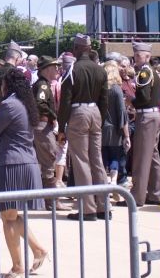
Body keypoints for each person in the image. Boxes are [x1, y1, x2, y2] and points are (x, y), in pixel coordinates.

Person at [0, 67, 49, 278]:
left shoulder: (9, 104)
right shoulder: (24, 103)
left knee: (8, 218)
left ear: (7, 84)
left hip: (12, 164)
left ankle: (17, 266)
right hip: (27, 162)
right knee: (12, 215)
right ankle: (37, 249)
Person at [58, 34, 110, 221]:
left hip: (78, 112)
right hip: (95, 112)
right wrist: (100, 119)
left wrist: (62, 126)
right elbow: (104, 100)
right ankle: (104, 206)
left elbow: (65, 101)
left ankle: (88, 209)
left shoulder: (72, 70)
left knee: (81, 161)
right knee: (97, 159)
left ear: (77, 48)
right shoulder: (100, 70)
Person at [128, 42, 160, 207]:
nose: (136, 57)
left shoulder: (144, 73)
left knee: (141, 155)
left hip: (146, 115)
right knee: (152, 155)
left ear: (147, 56)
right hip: (153, 114)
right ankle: (154, 193)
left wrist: (131, 100)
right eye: (135, 54)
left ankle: (137, 196)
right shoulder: (151, 71)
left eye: (139, 54)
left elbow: (143, 98)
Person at [31, 56, 61, 191]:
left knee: (48, 158)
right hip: (43, 125)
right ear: (47, 69)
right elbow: (40, 103)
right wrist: (54, 116)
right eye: (55, 67)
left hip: (43, 125)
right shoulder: (43, 85)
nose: (57, 69)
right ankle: (51, 200)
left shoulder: (43, 84)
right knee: (48, 158)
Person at [101, 61, 130, 199]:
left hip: (100, 129)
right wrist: (127, 135)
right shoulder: (116, 89)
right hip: (115, 130)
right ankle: (113, 182)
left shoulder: (100, 88)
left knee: (102, 158)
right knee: (115, 157)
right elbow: (122, 113)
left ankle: (104, 185)